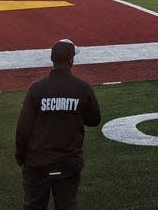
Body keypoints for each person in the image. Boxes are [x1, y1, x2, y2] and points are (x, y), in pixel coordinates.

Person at [15, 39, 101, 210]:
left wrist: (21, 157)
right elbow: (94, 120)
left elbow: (23, 130)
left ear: (52, 60)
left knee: (34, 206)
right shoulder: (82, 88)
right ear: (71, 61)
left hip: (37, 163)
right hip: (68, 162)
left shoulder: (36, 89)